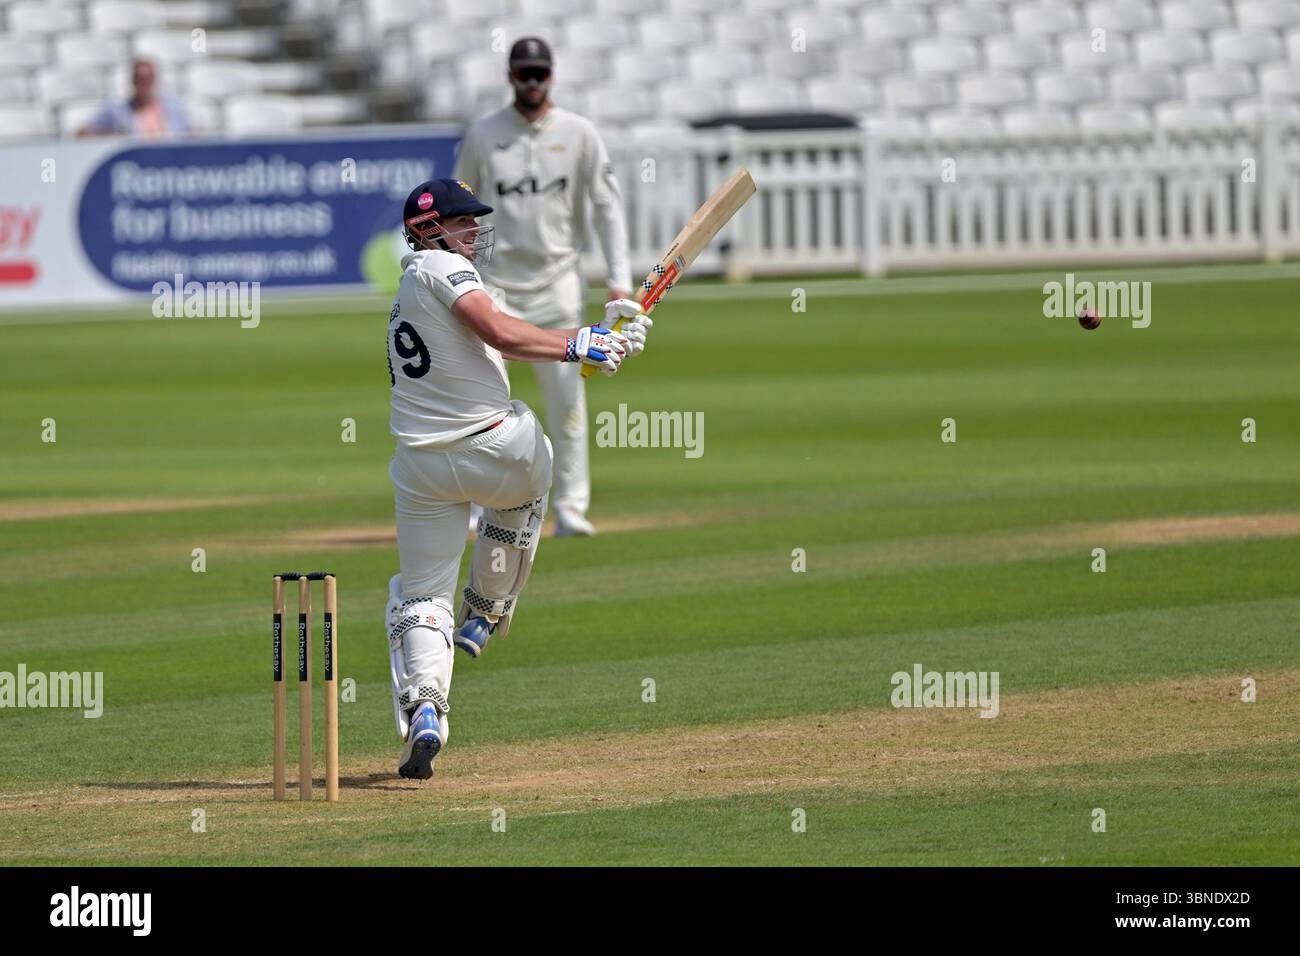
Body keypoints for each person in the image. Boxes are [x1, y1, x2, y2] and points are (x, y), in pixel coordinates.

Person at [383, 179, 650, 779]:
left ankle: (426, 708)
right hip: (490, 449)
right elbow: (501, 332)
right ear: (428, 230)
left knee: (422, 593)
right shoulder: (439, 268)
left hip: (420, 467)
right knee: (533, 464)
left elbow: (508, 335)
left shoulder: (414, 284)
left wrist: (597, 334)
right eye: (462, 222)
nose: (474, 231)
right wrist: (580, 344)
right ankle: (484, 610)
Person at [453, 36, 632, 537]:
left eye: (539, 73)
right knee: (482, 404)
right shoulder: (484, 135)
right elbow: (457, 207)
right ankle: (477, 503)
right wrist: (459, 276)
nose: (532, 82)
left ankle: (571, 507)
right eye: (523, 73)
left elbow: (606, 206)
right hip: (497, 289)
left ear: (551, 76)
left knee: (567, 402)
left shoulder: (579, 133)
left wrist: (618, 281)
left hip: (558, 285)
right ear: (510, 76)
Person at [78, 59, 191, 138]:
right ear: (132, 81)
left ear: (154, 80)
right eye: (139, 80)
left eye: (147, 80)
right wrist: (111, 137)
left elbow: (189, 135)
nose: (143, 86)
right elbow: (83, 133)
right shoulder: (117, 110)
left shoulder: (173, 108)